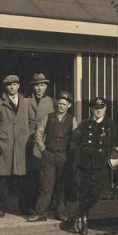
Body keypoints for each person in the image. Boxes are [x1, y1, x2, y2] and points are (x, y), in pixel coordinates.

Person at [67, 97, 118, 235]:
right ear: (91, 109)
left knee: (95, 195)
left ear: (105, 109)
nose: (98, 111)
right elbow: (73, 143)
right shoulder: (84, 124)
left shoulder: (110, 125)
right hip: (85, 165)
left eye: (101, 108)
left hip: (101, 166)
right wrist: (79, 156)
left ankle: (74, 216)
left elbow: (114, 145)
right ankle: (84, 223)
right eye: (96, 108)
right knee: (84, 195)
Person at [28, 91, 77, 222]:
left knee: (61, 186)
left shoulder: (72, 120)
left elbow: (75, 138)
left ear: (69, 105)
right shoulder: (48, 117)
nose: (61, 106)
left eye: (64, 104)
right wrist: (43, 149)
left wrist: (70, 154)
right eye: (59, 103)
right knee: (46, 185)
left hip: (63, 157)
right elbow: (39, 134)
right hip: (48, 156)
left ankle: (59, 212)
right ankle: (40, 212)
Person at [0, 74, 30, 218]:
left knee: (23, 179)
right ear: (6, 87)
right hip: (4, 145)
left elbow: (31, 121)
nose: (12, 87)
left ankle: (25, 207)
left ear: (18, 86)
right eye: (9, 85)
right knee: (3, 178)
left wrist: (28, 137)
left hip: (22, 146)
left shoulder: (26, 102)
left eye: (15, 84)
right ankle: (0, 208)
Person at [25, 73, 56, 216]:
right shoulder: (25, 101)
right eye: (37, 85)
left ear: (46, 87)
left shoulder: (51, 102)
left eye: (42, 85)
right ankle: (28, 205)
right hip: (28, 140)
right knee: (30, 175)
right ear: (33, 87)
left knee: (43, 175)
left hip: (44, 141)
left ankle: (42, 206)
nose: (39, 88)